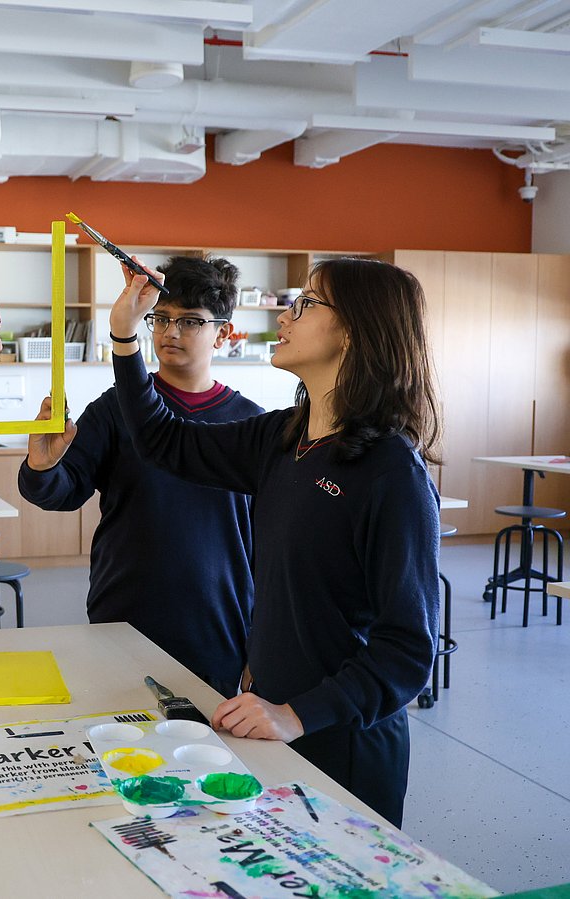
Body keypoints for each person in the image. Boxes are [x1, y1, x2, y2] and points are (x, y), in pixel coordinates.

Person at [108, 255, 441, 827]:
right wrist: (123, 340)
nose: (287, 315)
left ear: (355, 330)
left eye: (307, 304)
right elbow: (165, 440)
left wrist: (298, 714)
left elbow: (408, 651)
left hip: (340, 739)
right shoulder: (284, 436)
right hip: (268, 722)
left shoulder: (391, 471)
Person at [18, 256, 262, 696]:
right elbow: (62, 492)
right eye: (161, 319)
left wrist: (261, 643)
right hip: (124, 610)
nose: (170, 333)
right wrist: (42, 464)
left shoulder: (249, 423)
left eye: (190, 321)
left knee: (209, 756)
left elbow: (267, 546)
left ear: (222, 333)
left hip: (218, 624)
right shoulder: (115, 409)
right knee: (119, 745)